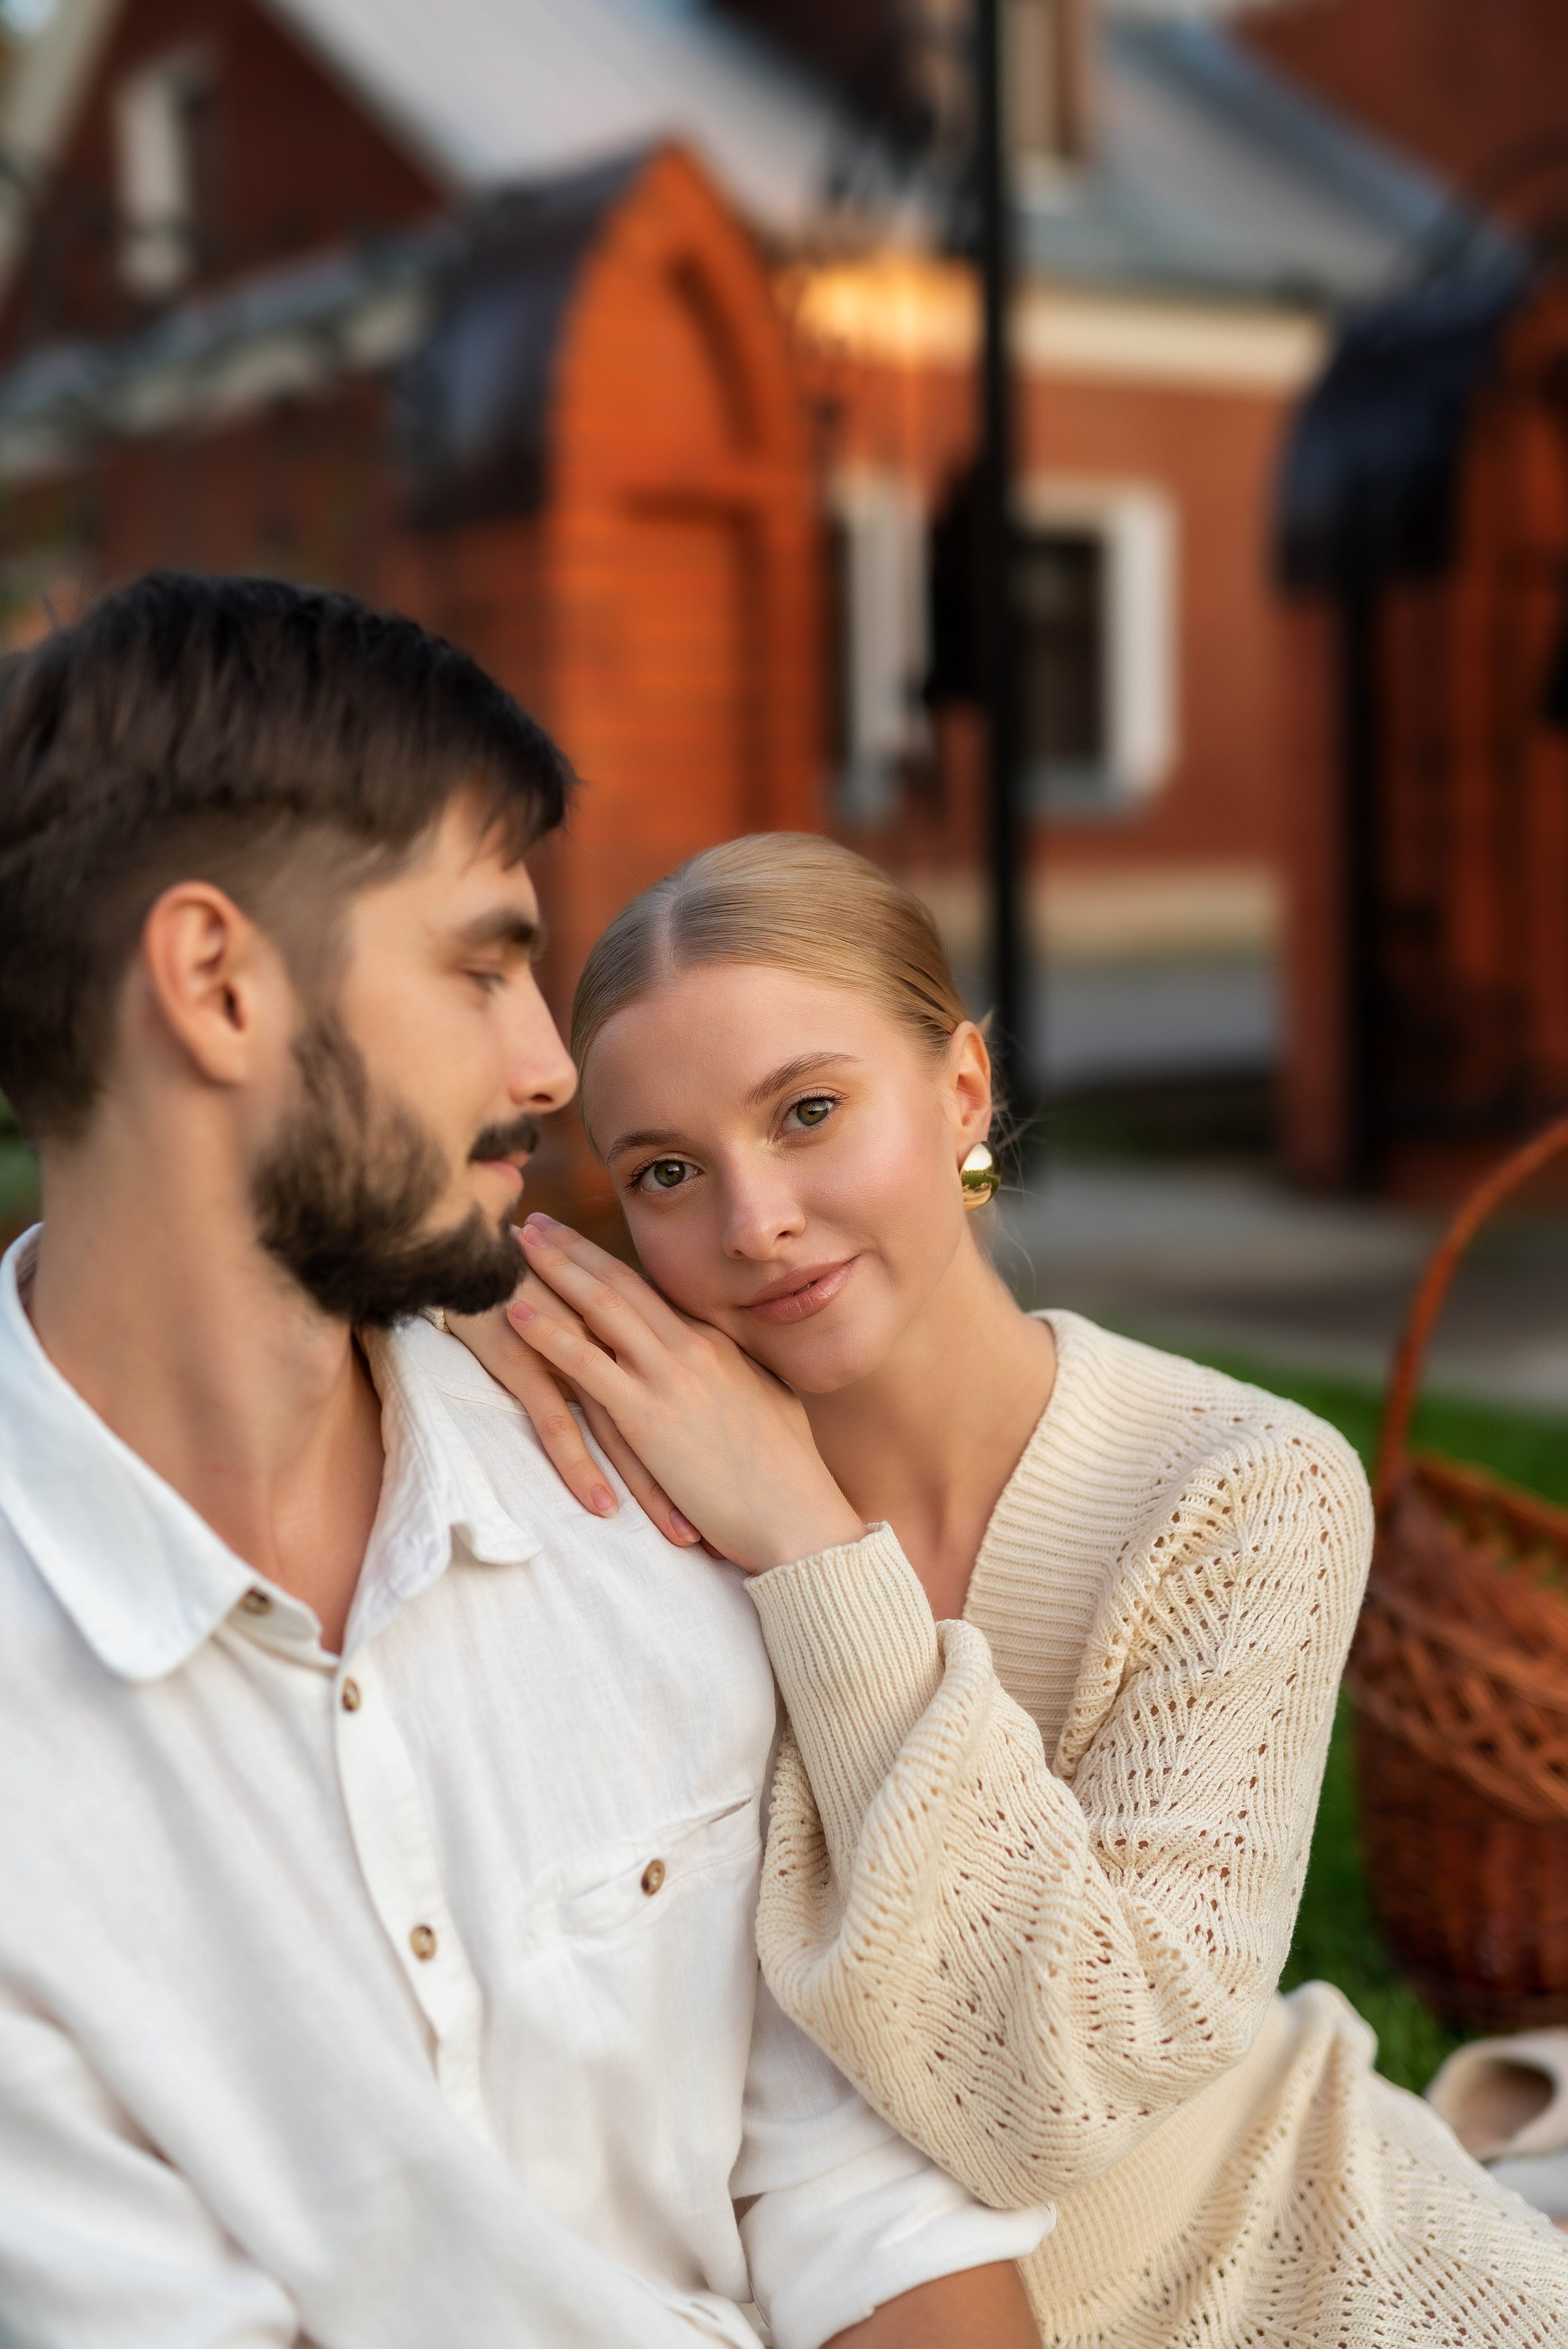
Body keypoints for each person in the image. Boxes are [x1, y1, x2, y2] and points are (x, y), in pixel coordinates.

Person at [0, 578, 1050, 2348]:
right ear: (215, 981)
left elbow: (861, 2196)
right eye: (483, 962)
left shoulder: (638, 1464)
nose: (549, 1065)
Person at [453, 832, 1568, 2348]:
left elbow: (1069, 2093)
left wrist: (809, 1550)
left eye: (808, 1112)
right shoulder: (619, 1497)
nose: (752, 1220)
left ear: (962, 1091)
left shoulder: (1238, 1487)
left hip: (1303, 2264)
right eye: (664, 1171)